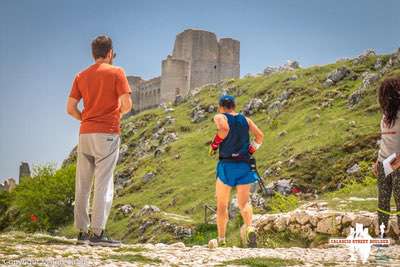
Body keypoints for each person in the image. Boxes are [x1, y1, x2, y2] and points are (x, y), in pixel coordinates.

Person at [66, 35, 132, 246]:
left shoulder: (81, 75)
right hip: (108, 132)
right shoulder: (117, 72)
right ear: (110, 53)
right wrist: (118, 114)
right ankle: (98, 233)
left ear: (93, 54)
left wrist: (85, 118)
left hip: (85, 134)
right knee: (103, 183)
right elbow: (127, 103)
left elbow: (70, 108)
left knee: (82, 184)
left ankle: (82, 232)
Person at [208, 95, 264, 247]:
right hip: (244, 165)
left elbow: (224, 129)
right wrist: (251, 150)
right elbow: (259, 136)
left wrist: (214, 145)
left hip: (227, 166)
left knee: (222, 205)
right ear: (234, 105)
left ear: (221, 106)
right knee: (244, 203)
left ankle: (221, 240)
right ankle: (250, 228)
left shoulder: (220, 116)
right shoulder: (245, 119)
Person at [373, 77, 400, 235]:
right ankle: (381, 236)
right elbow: (385, 140)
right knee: (382, 202)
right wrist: (377, 160)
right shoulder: (384, 117)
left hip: (398, 163)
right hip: (384, 163)